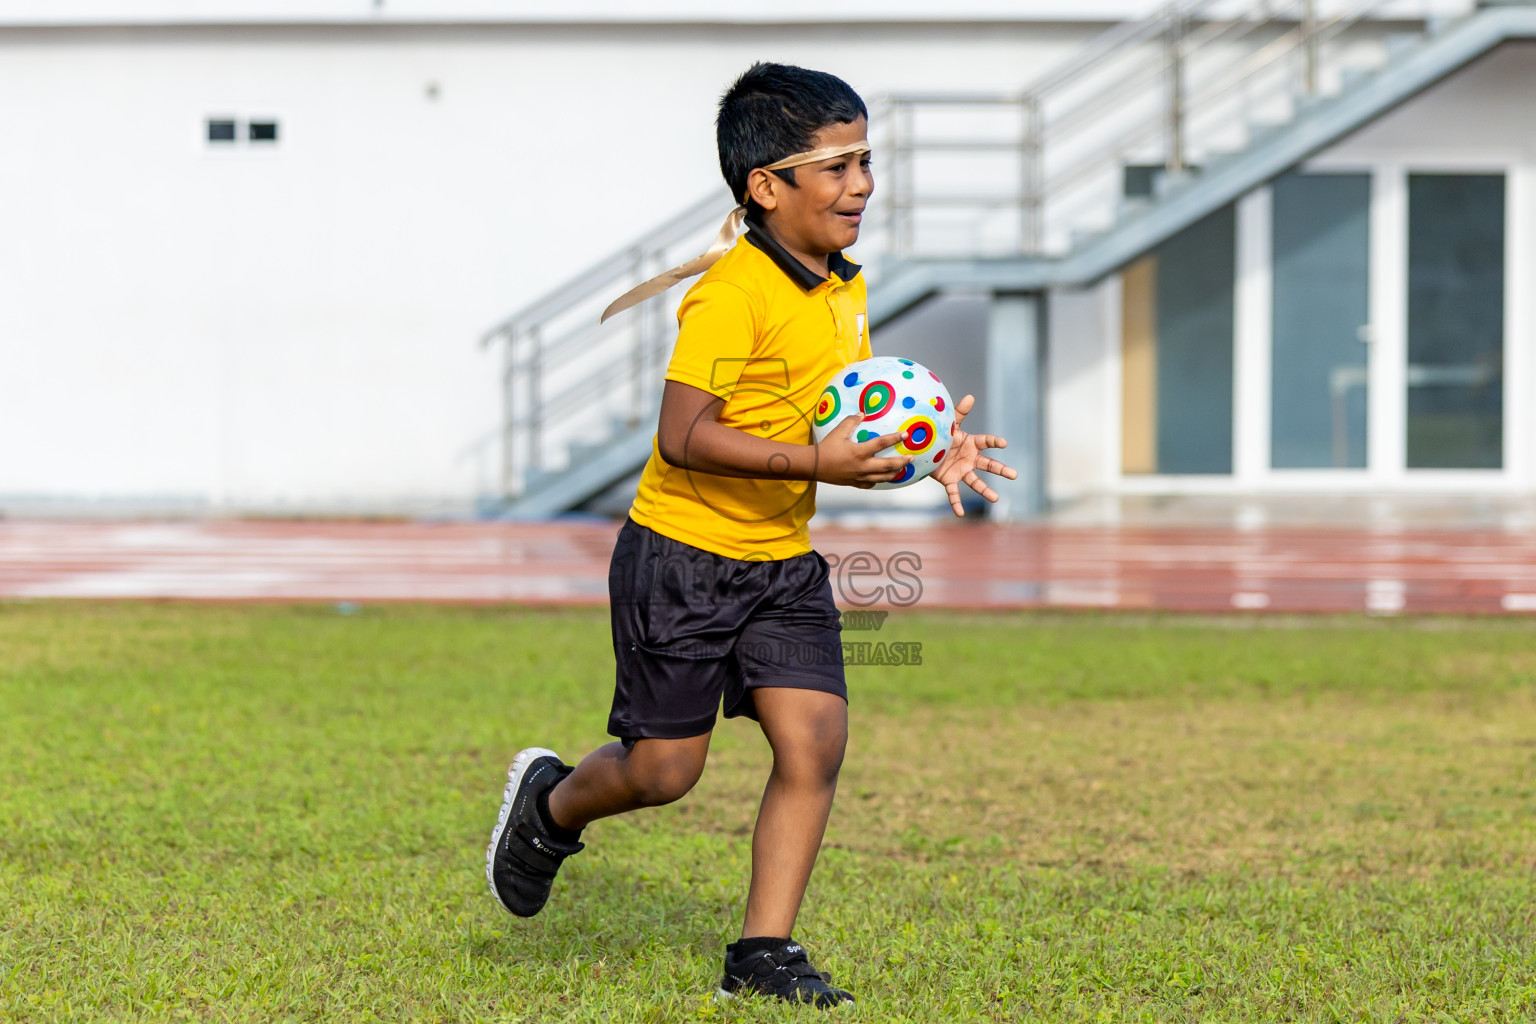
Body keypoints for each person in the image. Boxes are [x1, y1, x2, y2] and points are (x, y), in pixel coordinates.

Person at [485, 62, 1016, 1009]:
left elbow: (833, 414)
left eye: (866, 160)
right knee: (663, 772)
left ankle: (762, 954)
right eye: (838, 165)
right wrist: (815, 466)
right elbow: (682, 437)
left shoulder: (844, 288)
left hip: (780, 567)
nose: (861, 185)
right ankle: (551, 805)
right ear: (765, 187)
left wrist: (929, 450)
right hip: (680, 561)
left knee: (814, 744)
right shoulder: (730, 295)